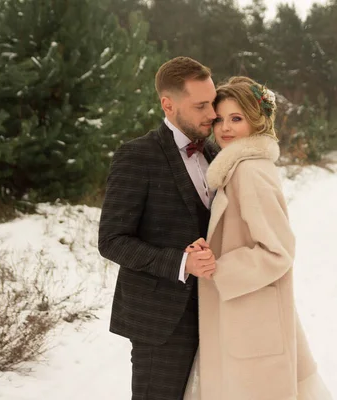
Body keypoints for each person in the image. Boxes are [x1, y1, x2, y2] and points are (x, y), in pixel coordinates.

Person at [184, 76, 332, 400]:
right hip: (246, 314)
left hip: (252, 317)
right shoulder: (236, 167)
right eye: (219, 118)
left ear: (256, 120)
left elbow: (278, 251)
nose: (224, 127)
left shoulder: (249, 171)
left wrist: (217, 267)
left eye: (236, 118)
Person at [98, 56, 220, 400]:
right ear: (168, 104)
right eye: (201, 105)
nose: (213, 113)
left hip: (214, 312)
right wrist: (182, 263)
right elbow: (112, 240)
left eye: (213, 101)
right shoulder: (136, 156)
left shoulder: (214, 153)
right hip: (161, 320)